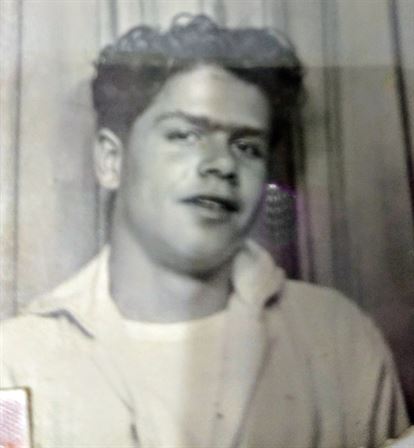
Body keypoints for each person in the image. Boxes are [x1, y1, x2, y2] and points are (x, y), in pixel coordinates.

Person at [0, 15, 409, 447]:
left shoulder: (338, 339)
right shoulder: (17, 359)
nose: (222, 164)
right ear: (110, 161)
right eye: (186, 135)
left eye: (246, 146)